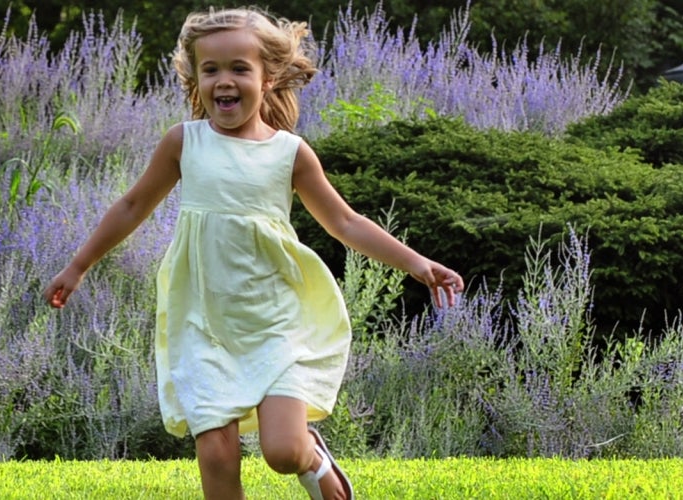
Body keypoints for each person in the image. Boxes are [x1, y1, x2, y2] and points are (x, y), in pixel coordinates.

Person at [43, 7, 463, 500]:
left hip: (275, 321)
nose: (225, 80)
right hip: (202, 320)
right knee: (216, 455)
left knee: (283, 452)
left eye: (240, 68)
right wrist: (78, 266)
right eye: (211, 69)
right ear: (196, 78)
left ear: (268, 78)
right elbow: (133, 205)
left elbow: (345, 222)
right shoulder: (184, 143)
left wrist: (418, 264)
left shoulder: (289, 153)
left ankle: (315, 459)